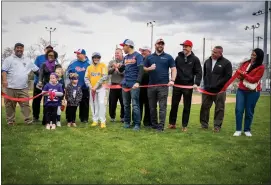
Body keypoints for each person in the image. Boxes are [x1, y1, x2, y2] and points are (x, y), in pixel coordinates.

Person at [1, 43, 39, 125]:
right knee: (9, 105)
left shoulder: (27, 60)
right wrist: (4, 81)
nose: (19, 49)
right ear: (14, 49)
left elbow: (37, 70)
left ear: (23, 50)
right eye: (17, 48)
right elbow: (4, 71)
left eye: (21, 48)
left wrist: (43, 78)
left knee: (25, 104)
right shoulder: (9, 59)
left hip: (23, 87)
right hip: (10, 87)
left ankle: (28, 120)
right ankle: (10, 121)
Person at [168, 40, 202, 131]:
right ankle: (172, 123)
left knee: (187, 106)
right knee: (174, 105)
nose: (184, 48)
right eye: (183, 46)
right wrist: (172, 80)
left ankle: (184, 125)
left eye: (186, 46)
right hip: (177, 85)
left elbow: (199, 72)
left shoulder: (195, 59)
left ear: (191, 47)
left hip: (188, 86)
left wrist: (196, 83)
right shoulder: (178, 58)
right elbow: (173, 69)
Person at [144, 38, 177, 131]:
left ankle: (161, 126)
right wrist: (149, 68)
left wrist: (172, 80)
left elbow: (173, 69)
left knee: (162, 107)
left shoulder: (168, 57)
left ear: (163, 46)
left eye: (162, 44)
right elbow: (144, 68)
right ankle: (154, 125)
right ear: (155, 45)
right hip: (151, 86)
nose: (160, 45)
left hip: (163, 86)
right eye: (159, 44)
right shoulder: (149, 57)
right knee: (152, 107)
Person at [200, 46, 232, 132]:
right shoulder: (207, 62)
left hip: (219, 90)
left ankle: (217, 126)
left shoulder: (226, 63)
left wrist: (218, 84)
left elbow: (228, 76)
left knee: (219, 108)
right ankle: (204, 125)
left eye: (215, 52)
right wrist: (206, 84)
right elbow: (205, 75)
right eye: (212, 51)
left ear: (220, 53)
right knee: (204, 107)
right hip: (207, 90)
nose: (213, 53)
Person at [233, 48, 265, 137]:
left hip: (253, 91)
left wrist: (244, 75)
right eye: (252, 54)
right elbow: (239, 76)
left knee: (249, 111)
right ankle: (238, 130)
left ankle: (247, 130)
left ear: (259, 57)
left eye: (254, 55)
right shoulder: (245, 63)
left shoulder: (261, 67)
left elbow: (254, 79)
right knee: (239, 110)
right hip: (241, 90)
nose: (252, 56)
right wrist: (240, 75)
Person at [117, 39, 144, 130]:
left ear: (128, 46)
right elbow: (122, 70)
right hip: (125, 83)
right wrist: (119, 67)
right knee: (126, 104)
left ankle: (137, 124)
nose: (123, 48)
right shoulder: (125, 58)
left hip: (134, 84)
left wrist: (138, 82)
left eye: (124, 46)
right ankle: (127, 122)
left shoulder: (138, 56)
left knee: (135, 104)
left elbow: (141, 70)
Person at [37, 50, 61, 125]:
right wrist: (40, 81)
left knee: (55, 103)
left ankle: (55, 121)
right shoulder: (44, 64)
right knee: (46, 104)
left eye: (52, 55)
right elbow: (41, 74)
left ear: (55, 56)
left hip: (56, 86)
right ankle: (46, 121)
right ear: (47, 56)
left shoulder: (57, 65)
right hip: (46, 86)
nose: (50, 57)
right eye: (49, 55)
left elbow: (60, 75)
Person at [84, 52, 108, 128]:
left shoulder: (103, 65)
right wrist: (90, 86)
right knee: (94, 104)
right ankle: (95, 120)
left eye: (98, 57)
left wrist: (96, 85)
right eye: (95, 57)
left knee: (101, 103)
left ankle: (102, 121)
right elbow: (86, 78)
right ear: (92, 58)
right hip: (92, 89)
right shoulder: (89, 67)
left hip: (101, 88)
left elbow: (104, 76)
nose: (96, 59)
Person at [67, 49, 90, 123]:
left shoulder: (89, 63)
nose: (77, 55)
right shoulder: (73, 63)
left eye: (79, 54)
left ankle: (84, 118)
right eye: (76, 53)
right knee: (71, 103)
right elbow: (67, 73)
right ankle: (70, 118)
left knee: (84, 103)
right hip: (74, 87)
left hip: (84, 87)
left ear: (84, 55)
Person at [32, 45, 54, 122]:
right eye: (47, 49)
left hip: (48, 84)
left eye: (51, 50)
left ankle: (46, 117)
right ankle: (35, 117)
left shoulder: (54, 59)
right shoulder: (39, 58)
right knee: (36, 100)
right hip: (38, 83)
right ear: (45, 50)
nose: (49, 51)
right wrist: (41, 74)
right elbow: (34, 68)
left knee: (47, 100)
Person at [108, 48, 125, 123]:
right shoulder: (112, 62)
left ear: (122, 53)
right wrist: (114, 67)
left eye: (118, 53)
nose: (116, 54)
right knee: (112, 103)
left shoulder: (125, 62)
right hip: (113, 85)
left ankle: (123, 117)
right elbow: (108, 72)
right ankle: (112, 117)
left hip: (122, 85)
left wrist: (118, 70)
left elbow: (125, 73)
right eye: (115, 53)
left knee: (123, 102)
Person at [139, 46, 151, 127]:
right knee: (139, 104)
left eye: (144, 51)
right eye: (142, 51)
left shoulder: (152, 60)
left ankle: (147, 122)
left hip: (149, 86)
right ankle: (137, 122)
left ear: (149, 51)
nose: (142, 52)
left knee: (148, 105)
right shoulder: (140, 60)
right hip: (139, 86)